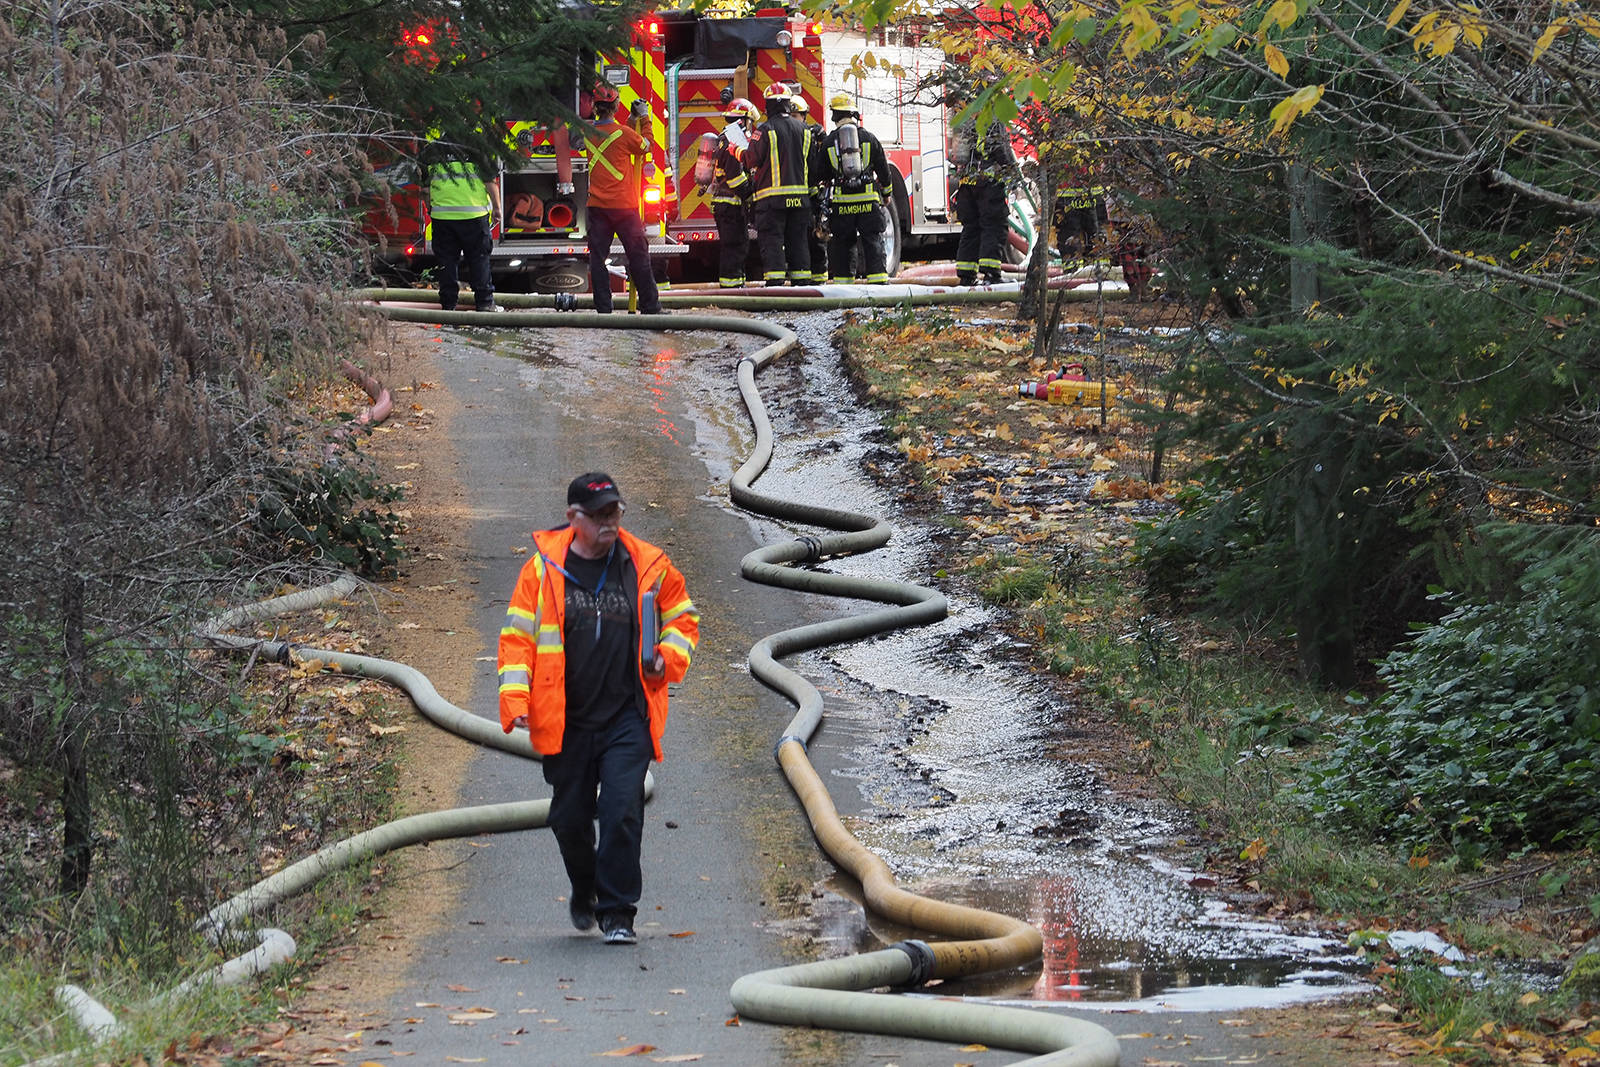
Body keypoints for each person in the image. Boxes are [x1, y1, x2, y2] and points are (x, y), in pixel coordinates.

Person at [498, 472, 700, 946]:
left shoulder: (647, 564)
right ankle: (584, 887)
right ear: (574, 518)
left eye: (616, 512)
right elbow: (517, 640)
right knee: (569, 819)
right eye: (600, 515)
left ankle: (617, 913)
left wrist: (665, 657)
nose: (610, 523)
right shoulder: (543, 571)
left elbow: (684, 619)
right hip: (566, 719)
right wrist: (515, 698)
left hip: (627, 714)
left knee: (621, 810)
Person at [583, 84, 664, 315]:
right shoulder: (624, 134)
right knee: (638, 256)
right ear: (616, 106)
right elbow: (644, 145)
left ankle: (603, 309)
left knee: (597, 259)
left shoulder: (588, 132)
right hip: (624, 208)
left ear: (594, 107)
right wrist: (645, 118)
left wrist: (631, 119)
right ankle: (650, 306)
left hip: (597, 207)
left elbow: (616, 136)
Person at [421, 135, 503, 312]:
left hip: (442, 218)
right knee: (479, 259)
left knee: (447, 262)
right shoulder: (478, 147)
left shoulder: (431, 151)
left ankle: (448, 305)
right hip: (474, 217)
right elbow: (490, 182)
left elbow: (425, 190)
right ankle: (485, 303)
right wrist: (497, 209)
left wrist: (431, 209)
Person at [741, 82, 813, 286]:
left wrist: (736, 151)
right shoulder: (804, 130)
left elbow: (750, 160)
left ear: (768, 105)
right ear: (788, 105)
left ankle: (776, 287)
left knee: (772, 242)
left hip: (771, 202)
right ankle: (802, 285)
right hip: (800, 200)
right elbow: (812, 165)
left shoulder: (765, 131)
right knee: (798, 242)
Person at [819, 93, 893, 284]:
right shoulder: (869, 138)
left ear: (834, 116)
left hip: (842, 205)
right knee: (873, 241)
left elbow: (820, 174)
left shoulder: (828, 142)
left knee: (843, 244)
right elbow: (884, 171)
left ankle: (845, 285)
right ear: (854, 114)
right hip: (868, 203)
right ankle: (878, 282)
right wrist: (886, 194)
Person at [949, 99, 1014, 286]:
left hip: (966, 184)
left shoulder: (967, 120)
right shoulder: (994, 119)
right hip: (988, 183)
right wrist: (1012, 174)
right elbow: (1002, 150)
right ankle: (992, 275)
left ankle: (966, 276)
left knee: (972, 228)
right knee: (994, 226)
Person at [710, 97, 758, 289]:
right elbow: (735, 178)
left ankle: (735, 286)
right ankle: (732, 290)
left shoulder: (725, 137)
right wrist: (750, 193)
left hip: (726, 205)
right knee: (735, 248)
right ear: (743, 120)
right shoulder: (732, 141)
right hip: (730, 205)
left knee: (737, 246)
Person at [794, 95, 830, 284]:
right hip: (797, 197)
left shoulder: (811, 136)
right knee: (800, 241)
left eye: (796, 115)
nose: (795, 119)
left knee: (816, 240)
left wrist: (823, 140)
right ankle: (805, 279)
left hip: (811, 196)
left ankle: (819, 279)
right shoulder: (792, 136)